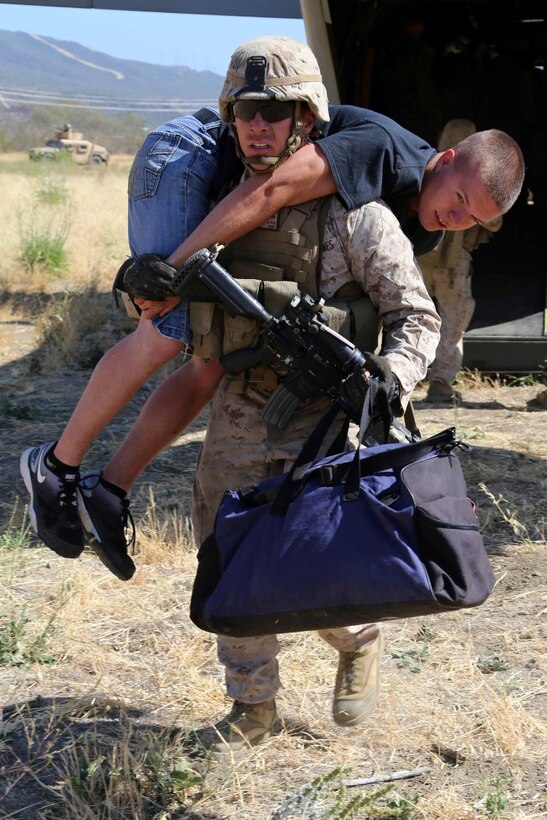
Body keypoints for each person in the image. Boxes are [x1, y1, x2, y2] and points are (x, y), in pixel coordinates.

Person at [20, 43, 525, 580]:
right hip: (186, 155)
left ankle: (107, 491)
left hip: (231, 180)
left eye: (473, 219)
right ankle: (54, 466)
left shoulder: (419, 219)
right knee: (168, 324)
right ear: (445, 160)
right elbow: (274, 187)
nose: (456, 218)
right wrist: (172, 271)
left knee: (210, 360)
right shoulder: (382, 152)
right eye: (461, 198)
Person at [153, 35, 440, 752]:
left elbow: (415, 316)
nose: (259, 125)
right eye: (247, 110)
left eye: (276, 112)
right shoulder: (218, 210)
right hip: (240, 408)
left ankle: (356, 639)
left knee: (314, 569)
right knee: (229, 559)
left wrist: (390, 377)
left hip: (324, 422)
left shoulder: (357, 217)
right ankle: (252, 709)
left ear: (306, 120)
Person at [418, 119, 503, 403]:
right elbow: (494, 221)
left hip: (423, 257)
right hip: (451, 262)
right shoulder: (472, 176)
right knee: (454, 320)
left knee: (410, 315)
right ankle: (440, 382)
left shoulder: (427, 167)